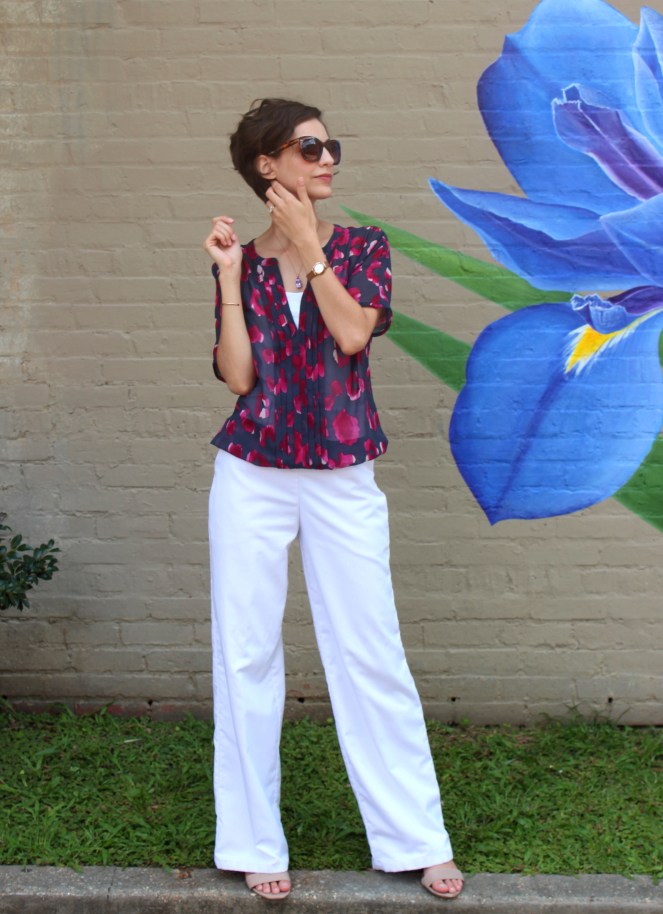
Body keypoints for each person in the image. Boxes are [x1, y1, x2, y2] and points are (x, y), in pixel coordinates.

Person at [202, 97, 463, 903]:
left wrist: (313, 255)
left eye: (329, 144)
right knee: (245, 653)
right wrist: (226, 275)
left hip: (342, 473)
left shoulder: (361, 247)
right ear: (266, 167)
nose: (327, 158)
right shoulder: (238, 258)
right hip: (249, 472)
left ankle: (415, 838)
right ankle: (251, 840)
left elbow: (351, 335)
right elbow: (238, 377)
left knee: (368, 650)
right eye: (307, 147)